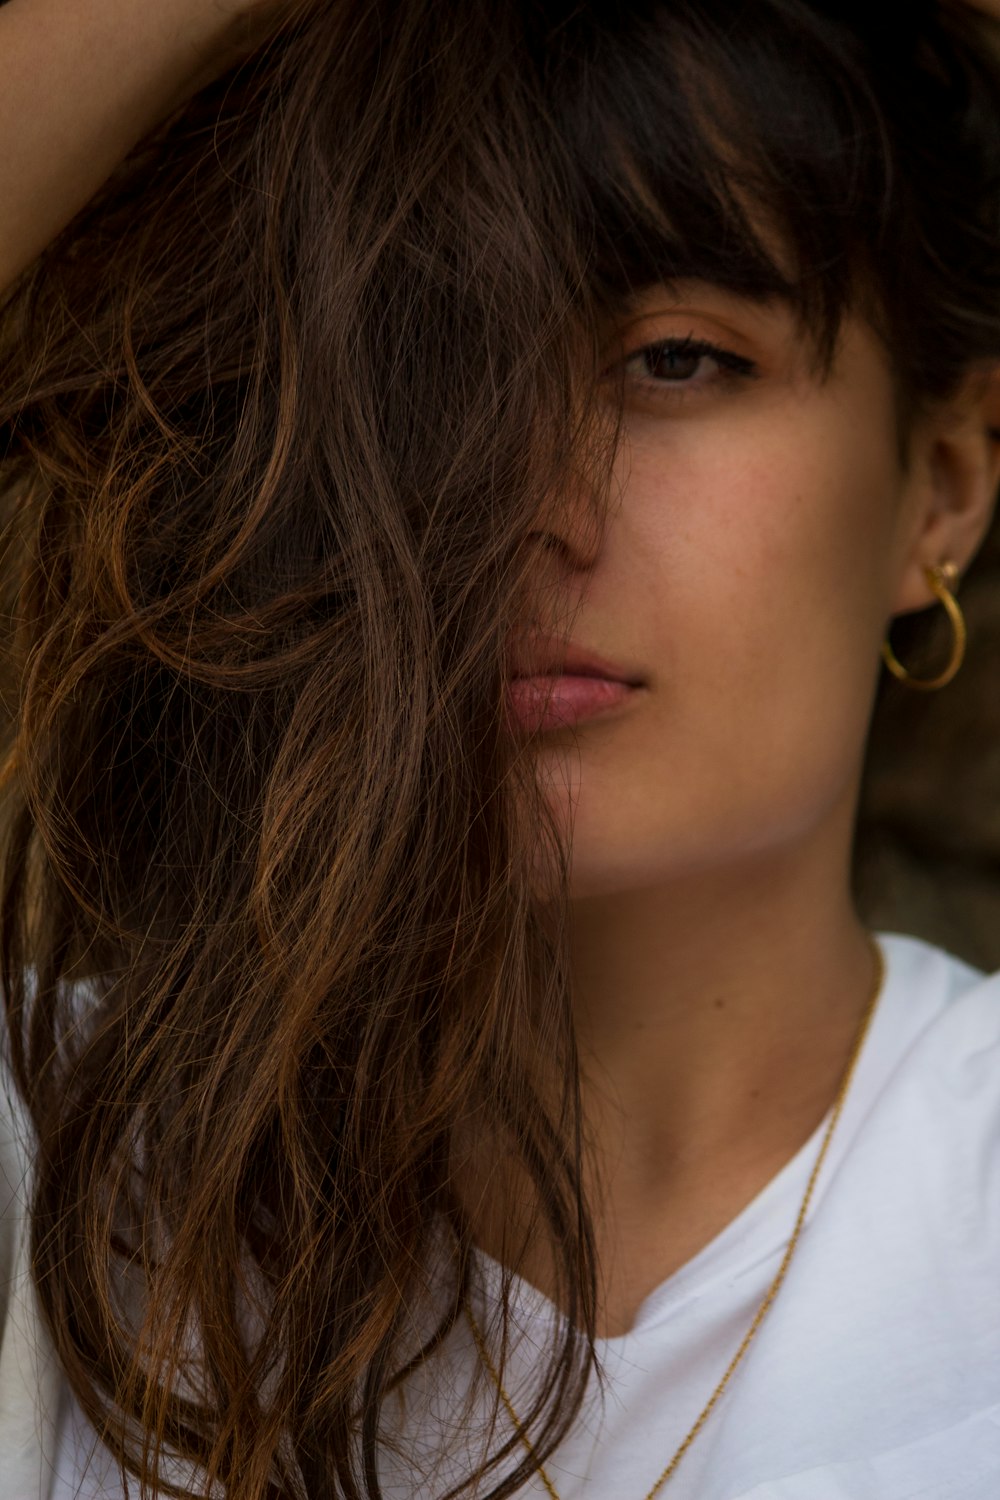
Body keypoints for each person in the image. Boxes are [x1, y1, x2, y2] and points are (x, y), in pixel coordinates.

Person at [2, 1, 1000, 1496]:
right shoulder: (56, 1162)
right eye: (421, 364)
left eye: (674, 360)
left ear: (942, 482)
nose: (535, 504)